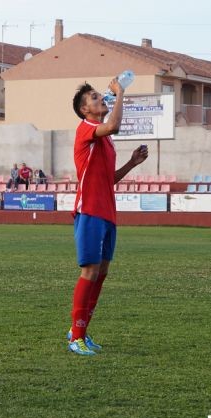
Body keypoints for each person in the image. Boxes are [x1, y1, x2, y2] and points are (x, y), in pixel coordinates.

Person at [67, 79, 149, 356]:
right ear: (84, 109)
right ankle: (75, 335)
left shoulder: (105, 140)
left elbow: (107, 179)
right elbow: (113, 124)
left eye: (101, 95)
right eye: (94, 97)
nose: (100, 98)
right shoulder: (87, 129)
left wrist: (132, 163)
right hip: (89, 209)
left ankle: (82, 331)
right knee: (89, 271)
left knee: (101, 272)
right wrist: (120, 92)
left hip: (106, 211)